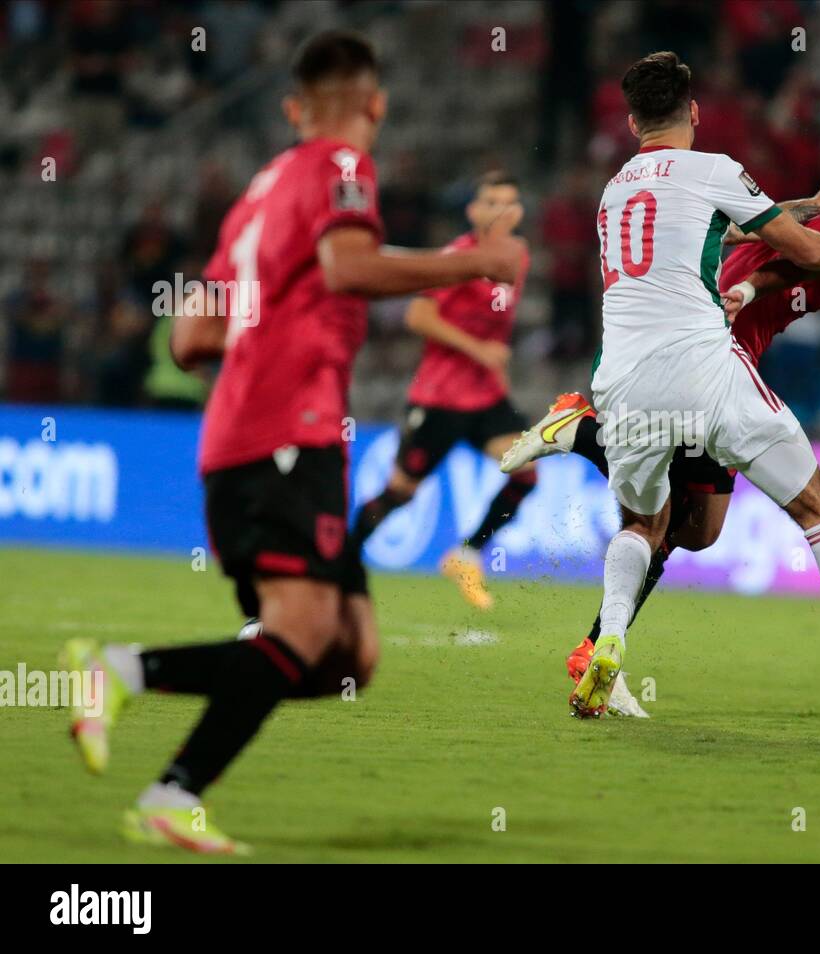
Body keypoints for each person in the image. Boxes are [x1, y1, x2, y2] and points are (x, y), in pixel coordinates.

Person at [60, 30, 524, 854]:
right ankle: (135, 704)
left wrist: (266, 330)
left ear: (291, 108)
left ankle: (164, 767)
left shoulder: (258, 192)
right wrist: (468, 266)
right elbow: (348, 269)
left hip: (247, 434)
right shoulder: (341, 169)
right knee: (304, 632)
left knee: (349, 657)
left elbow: (189, 341)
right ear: (374, 104)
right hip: (286, 432)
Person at [558, 51, 820, 719]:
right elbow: (799, 252)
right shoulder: (719, 171)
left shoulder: (614, 189)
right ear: (695, 112)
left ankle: (604, 644)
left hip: (629, 372)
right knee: (816, 508)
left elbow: (718, 230)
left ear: (633, 120)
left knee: (673, 529)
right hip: (708, 363)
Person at [349, 170, 533, 610]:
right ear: (473, 211)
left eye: (509, 202)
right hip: (440, 397)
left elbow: (497, 330)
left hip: (486, 394)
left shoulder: (517, 257)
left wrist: (496, 367)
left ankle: (467, 555)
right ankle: (343, 563)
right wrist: (479, 350)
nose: (500, 210)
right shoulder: (457, 257)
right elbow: (418, 317)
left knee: (526, 474)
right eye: (491, 202)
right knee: (401, 492)